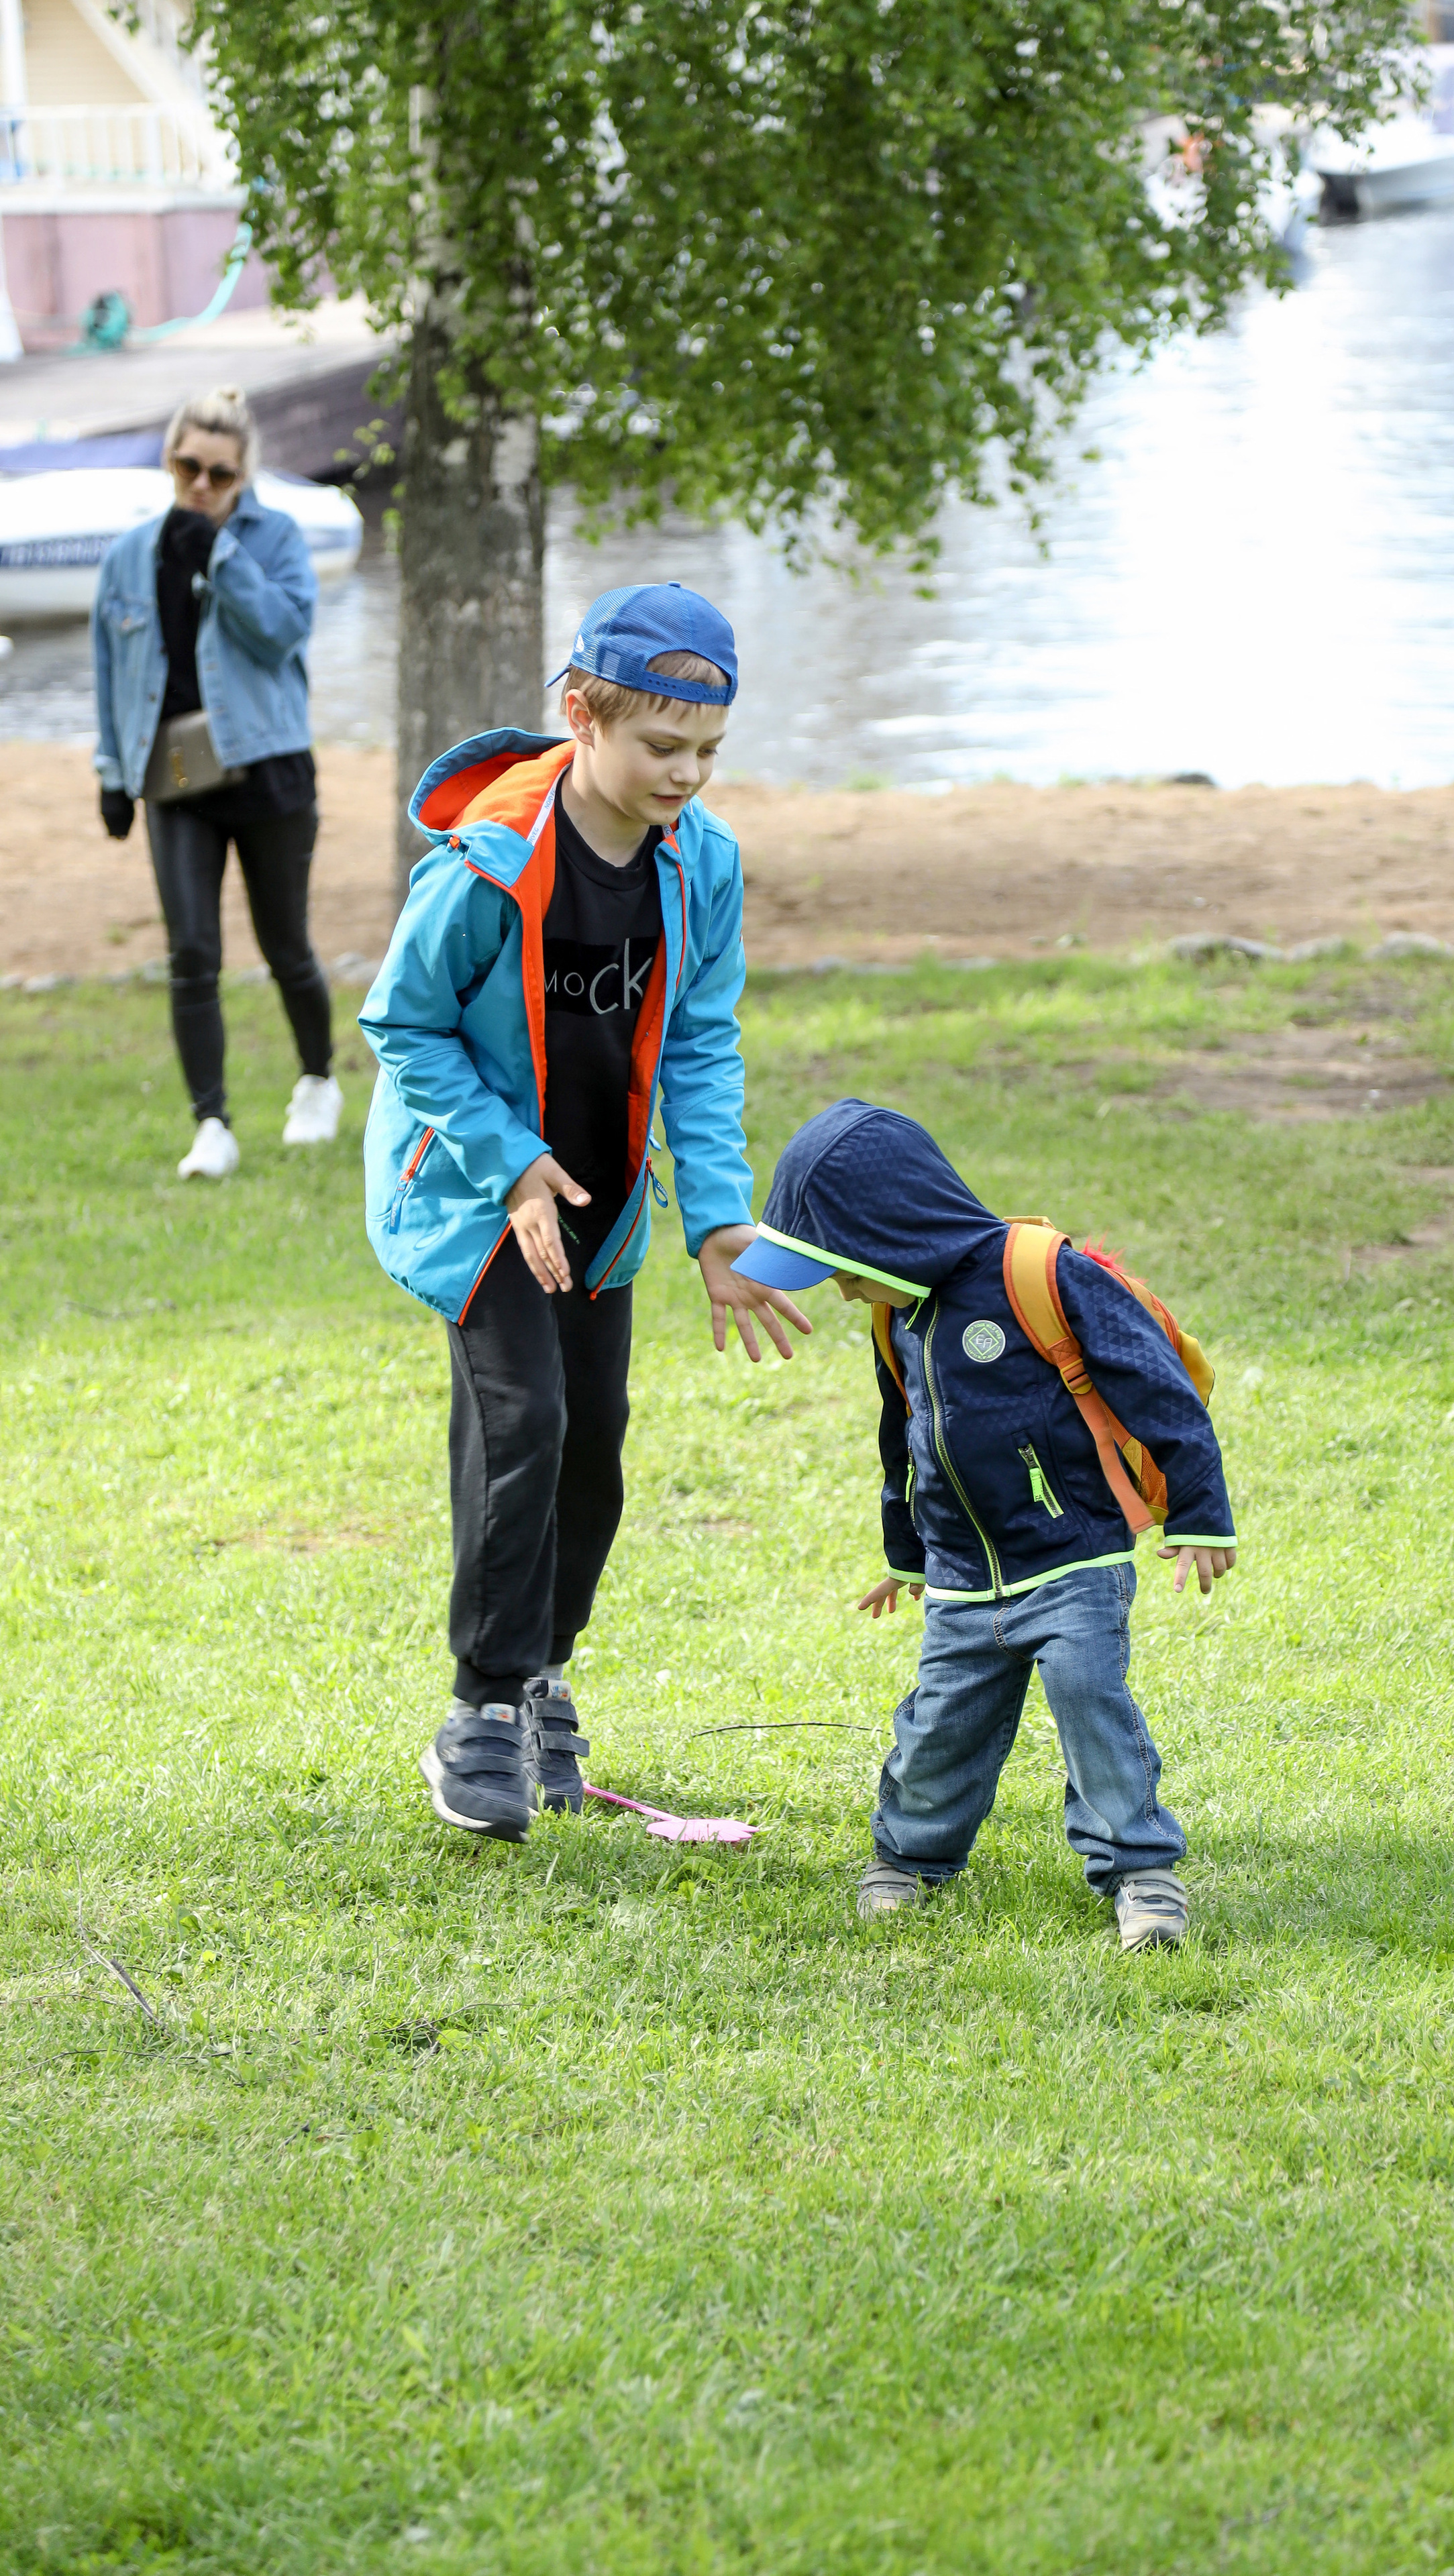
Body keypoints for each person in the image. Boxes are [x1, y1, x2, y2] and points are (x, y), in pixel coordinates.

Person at [360, 581, 810, 1845]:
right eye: (663, 747)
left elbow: (703, 1046)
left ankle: (546, 1674)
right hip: (475, 1185)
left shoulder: (701, 861)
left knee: (595, 1437)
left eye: (710, 753)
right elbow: (403, 1022)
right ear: (581, 717)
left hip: (600, 1194)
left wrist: (721, 1220)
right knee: (526, 1419)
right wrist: (507, 1162)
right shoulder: (488, 862)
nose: (687, 775)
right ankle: (480, 1716)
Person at [730, 1099, 1238, 1951]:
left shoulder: (1042, 1274)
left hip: (1072, 1557)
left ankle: (1141, 1873)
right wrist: (906, 1553)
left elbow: (1159, 1386)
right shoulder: (897, 1314)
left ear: (889, 1236)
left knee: (1089, 1701)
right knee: (940, 1722)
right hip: (965, 1577)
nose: (845, 1289)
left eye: (844, 1268)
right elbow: (905, 1436)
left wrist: (1200, 1515)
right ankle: (909, 1860)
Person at [92, 384, 340, 1181]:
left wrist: (220, 557)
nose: (201, 486)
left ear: (245, 477)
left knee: (286, 947)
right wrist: (110, 771)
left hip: (269, 766)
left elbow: (281, 636)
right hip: (174, 771)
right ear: (169, 461)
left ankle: (317, 1080)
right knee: (191, 951)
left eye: (220, 474)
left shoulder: (275, 539)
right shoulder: (130, 554)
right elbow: (111, 667)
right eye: (187, 466)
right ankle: (212, 1125)